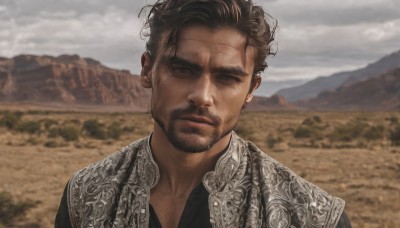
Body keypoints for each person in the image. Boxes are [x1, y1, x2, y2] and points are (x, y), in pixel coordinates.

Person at [55, 0, 351, 227]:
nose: (202, 96)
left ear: (251, 88)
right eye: (183, 69)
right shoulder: (84, 195)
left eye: (228, 78)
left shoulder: (312, 215)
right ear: (147, 69)